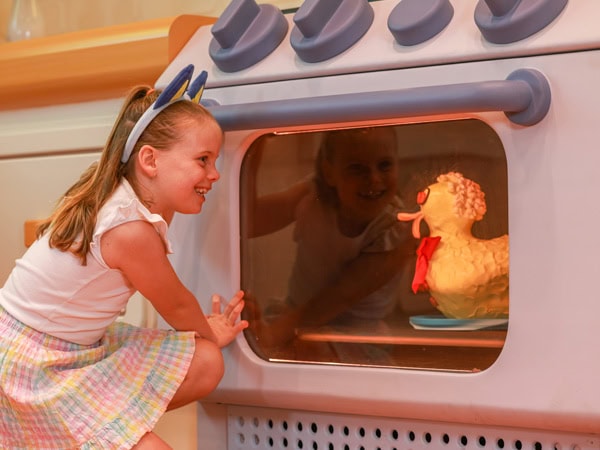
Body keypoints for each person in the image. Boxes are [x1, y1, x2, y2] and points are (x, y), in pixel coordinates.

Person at [0, 64, 248, 450]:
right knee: (205, 350)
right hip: (34, 365)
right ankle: (84, 434)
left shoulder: (129, 199)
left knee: (206, 361)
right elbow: (178, 304)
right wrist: (209, 329)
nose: (214, 174)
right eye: (203, 160)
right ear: (149, 161)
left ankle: (92, 431)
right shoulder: (128, 229)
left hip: (74, 347)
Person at [244, 126, 415, 349]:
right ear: (329, 173)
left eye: (385, 165)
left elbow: (340, 296)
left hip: (355, 334)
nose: (374, 179)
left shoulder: (396, 230)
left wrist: (273, 335)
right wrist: (250, 151)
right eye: (356, 168)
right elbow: (251, 221)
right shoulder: (312, 196)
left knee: (308, 348)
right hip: (295, 312)